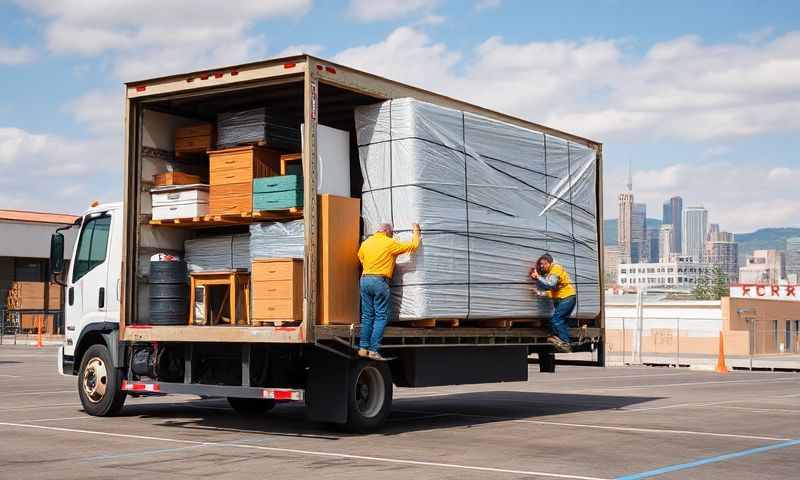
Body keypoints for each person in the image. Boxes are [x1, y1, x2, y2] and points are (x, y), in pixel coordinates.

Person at [357, 223, 421, 360]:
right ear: (387, 231)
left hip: (364, 279)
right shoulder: (390, 243)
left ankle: (363, 348)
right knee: (381, 316)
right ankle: (373, 350)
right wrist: (416, 230)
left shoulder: (366, 243)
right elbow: (413, 246)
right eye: (392, 233)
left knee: (367, 316)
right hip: (379, 281)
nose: (392, 235)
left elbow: (360, 257)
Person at [530, 253, 576, 353]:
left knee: (556, 320)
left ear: (549, 263)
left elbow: (551, 284)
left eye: (544, 264)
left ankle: (565, 342)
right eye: (540, 264)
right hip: (562, 298)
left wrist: (538, 277)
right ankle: (561, 340)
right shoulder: (549, 273)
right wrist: (539, 292)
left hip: (567, 297)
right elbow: (552, 290)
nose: (542, 266)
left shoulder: (556, 269)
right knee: (560, 321)